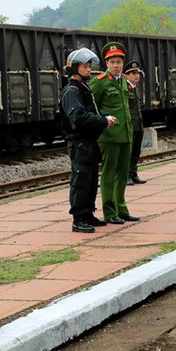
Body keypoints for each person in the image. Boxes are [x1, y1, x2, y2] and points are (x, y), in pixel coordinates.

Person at [60, 48, 116, 233]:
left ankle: (88, 213)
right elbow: (77, 116)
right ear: (74, 68)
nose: (89, 69)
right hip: (79, 142)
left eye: (90, 66)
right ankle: (78, 218)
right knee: (81, 179)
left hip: (89, 141)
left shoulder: (83, 87)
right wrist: (102, 121)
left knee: (91, 179)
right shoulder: (72, 91)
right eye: (85, 66)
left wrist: (102, 120)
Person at [90, 42, 139, 224]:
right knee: (109, 174)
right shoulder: (100, 82)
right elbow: (92, 106)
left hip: (125, 134)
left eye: (119, 62)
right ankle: (110, 212)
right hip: (109, 136)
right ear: (106, 63)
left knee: (123, 173)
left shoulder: (125, 82)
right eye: (112, 62)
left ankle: (121, 208)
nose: (116, 65)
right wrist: (102, 121)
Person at [124, 61, 147, 185]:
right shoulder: (125, 88)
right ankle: (127, 175)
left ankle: (134, 173)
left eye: (137, 73)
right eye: (133, 73)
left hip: (138, 124)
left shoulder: (134, 88)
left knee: (136, 151)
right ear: (126, 75)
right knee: (129, 151)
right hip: (130, 124)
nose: (136, 76)